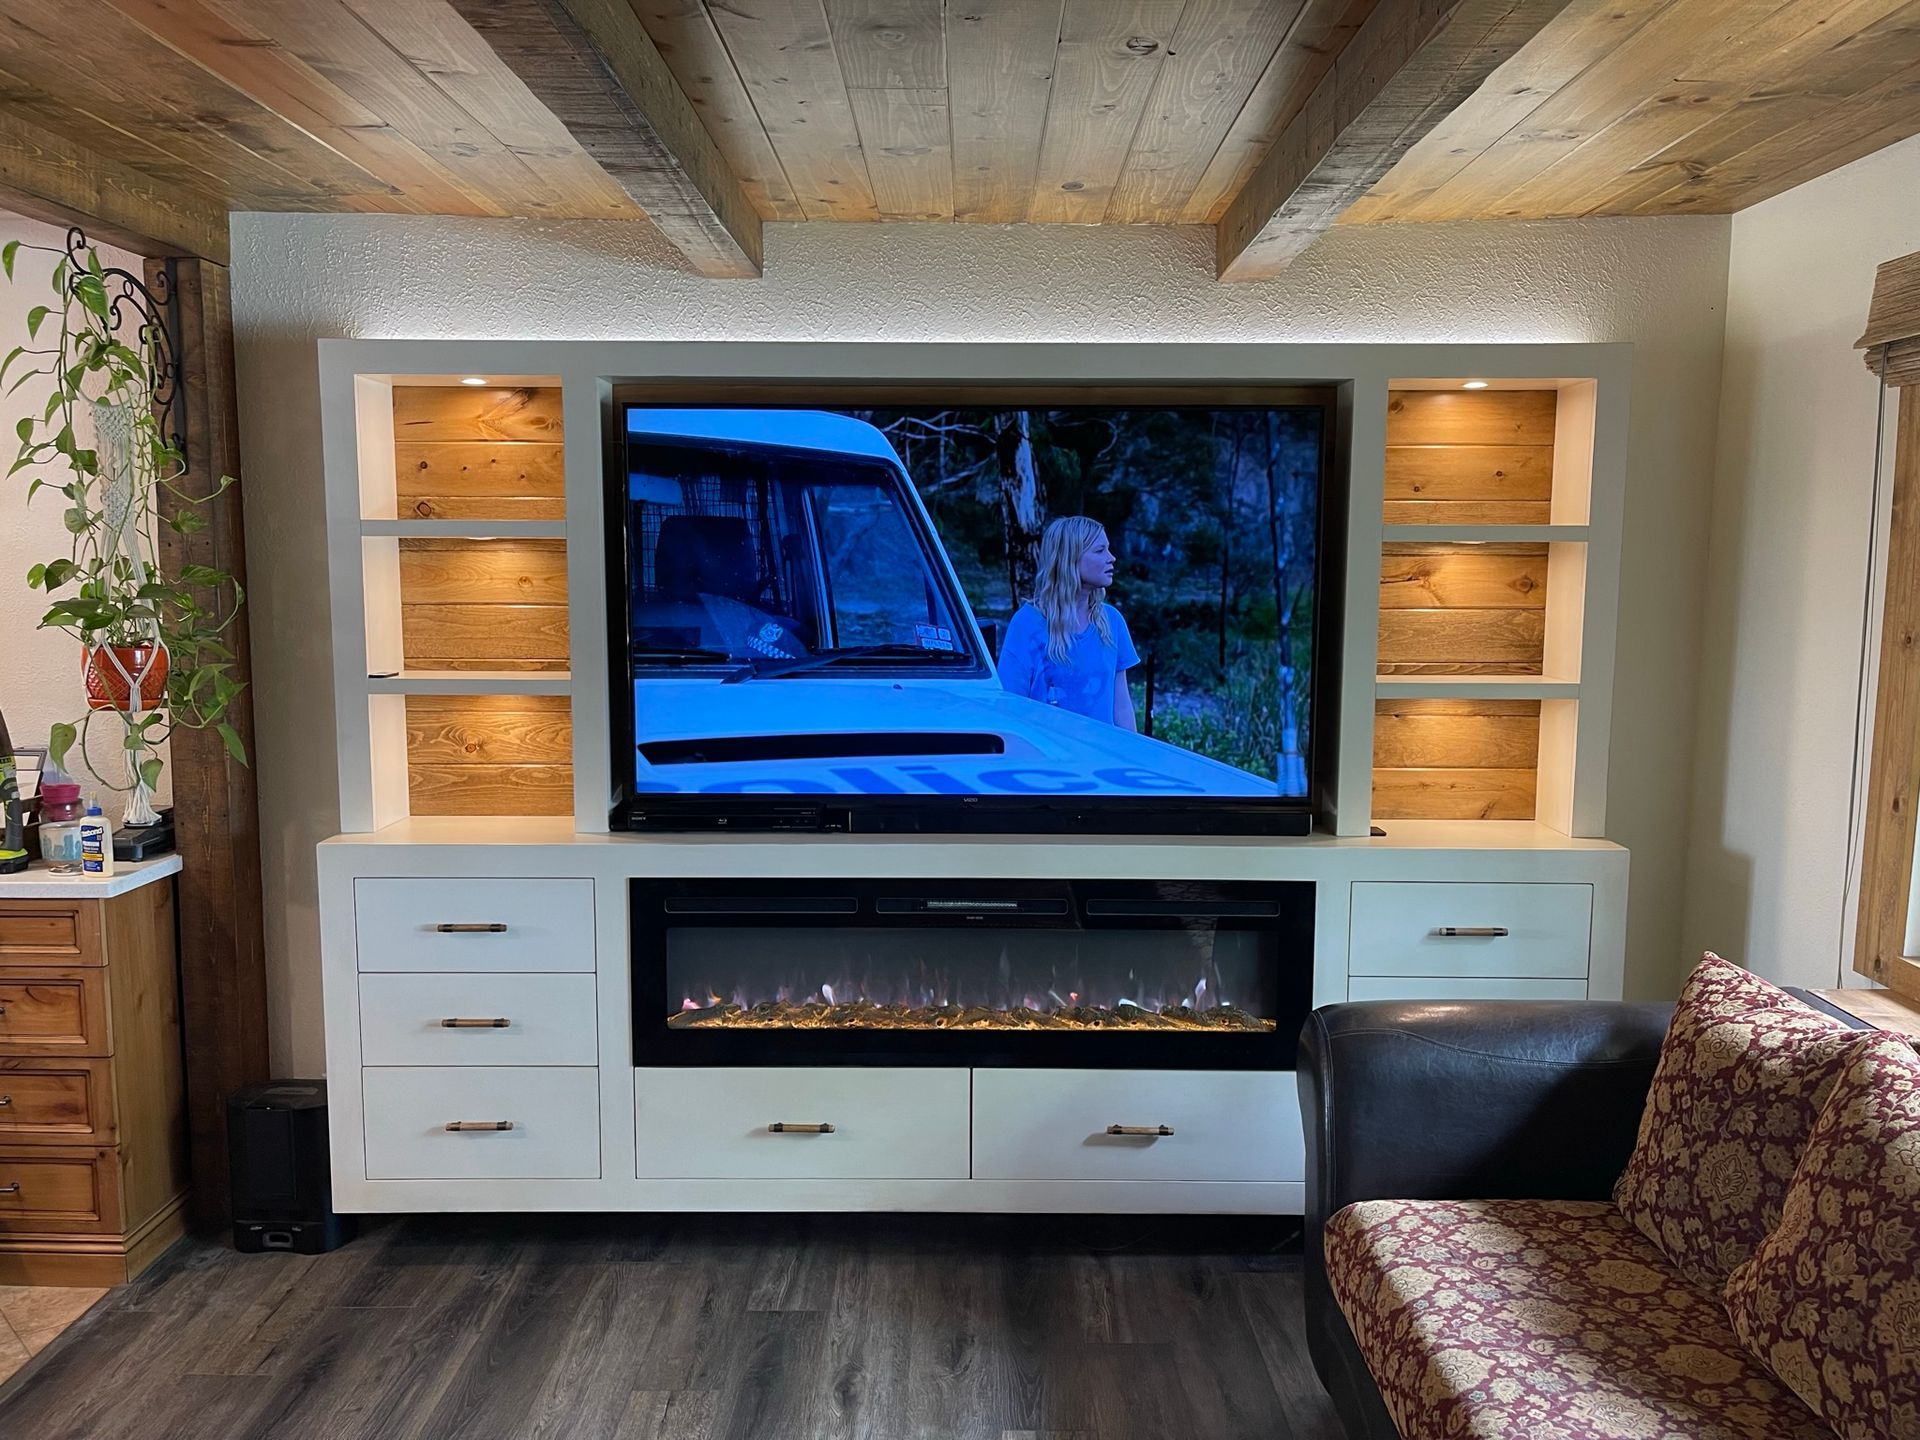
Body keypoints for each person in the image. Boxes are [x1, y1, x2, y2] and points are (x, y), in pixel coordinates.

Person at [997, 516, 1140, 730]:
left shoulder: (1112, 621)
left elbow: (1121, 706)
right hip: (1048, 756)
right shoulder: (1028, 623)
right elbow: (1009, 704)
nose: (1112, 558)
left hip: (1100, 756)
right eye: (1100, 551)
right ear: (1070, 558)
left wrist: (1133, 754)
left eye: (1108, 550)